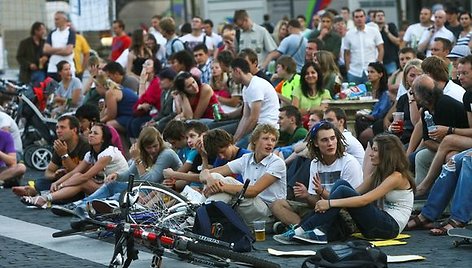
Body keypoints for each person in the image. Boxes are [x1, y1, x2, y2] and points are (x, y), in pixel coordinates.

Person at [274, 133, 414, 244]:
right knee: (341, 185)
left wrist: (328, 203)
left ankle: (304, 229)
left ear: (386, 153)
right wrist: (323, 193)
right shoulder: (378, 173)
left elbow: (364, 200)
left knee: (342, 189)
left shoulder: (397, 177)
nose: (370, 154)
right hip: (378, 224)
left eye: (375, 150)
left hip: (389, 227)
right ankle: (310, 231)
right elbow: (354, 194)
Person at [51, 126, 182, 215]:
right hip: (146, 188)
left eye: (155, 146)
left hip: (161, 190)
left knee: (124, 194)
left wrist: (137, 159)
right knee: (111, 184)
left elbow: (150, 180)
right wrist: (116, 175)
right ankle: (80, 205)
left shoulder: (166, 154)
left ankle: (94, 207)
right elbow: (129, 174)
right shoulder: (143, 154)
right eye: (149, 148)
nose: (152, 150)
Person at [271, 121, 363, 237]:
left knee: (329, 212)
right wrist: (307, 196)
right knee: (277, 205)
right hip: (321, 209)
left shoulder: (349, 162)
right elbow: (315, 203)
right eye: (324, 140)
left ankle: (298, 229)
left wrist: (322, 193)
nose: (330, 143)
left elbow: (350, 204)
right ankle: (301, 228)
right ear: (316, 143)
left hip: (342, 212)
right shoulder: (315, 163)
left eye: (332, 138)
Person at [20, 123, 128, 208]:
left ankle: (45, 198)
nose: (90, 135)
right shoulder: (90, 154)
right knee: (75, 177)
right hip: (105, 185)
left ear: (103, 139)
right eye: (90, 132)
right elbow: (74, 172)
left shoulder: (108, 153)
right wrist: (57, 182)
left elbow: (86, 176)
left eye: (95, 133)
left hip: (119, 189)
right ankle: (45, 197)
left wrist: (62, 185)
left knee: (82, 181)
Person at [200, 124, 286, 225]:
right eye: (265, 138)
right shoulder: (246, 159)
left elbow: (254, 191)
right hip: (250, 207)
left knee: (226, 182)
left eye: (273, 140)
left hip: (268, 213)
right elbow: (204, 174)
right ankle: (200, 215)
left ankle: (198, 217)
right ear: (255, 140)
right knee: (215, 177)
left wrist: (221, 187)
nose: (270, 143)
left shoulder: (277, 162)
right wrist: (210, 180)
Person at [12, 115, 89, 196]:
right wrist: (55, 175)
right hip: (63, 180)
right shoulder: (60, 144)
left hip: (79, 182)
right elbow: (48, 172)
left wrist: (64, 155)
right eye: (57, 127)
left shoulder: (84, 146)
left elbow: (80, 172)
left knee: (71, 189)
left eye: (62, 127)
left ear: (74, 130)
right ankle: (39, 192)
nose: (58, 131)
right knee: (41, 182)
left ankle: (38, 193)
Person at [230, 58, 279, 148]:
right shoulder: (246, 88)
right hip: (257, 127)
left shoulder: (256, 86)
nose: (231, 76)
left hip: (267, 129)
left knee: (235, 149)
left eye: (231, 72)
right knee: (232, 145)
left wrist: (240, 138)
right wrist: (235, 138)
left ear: (237, 71)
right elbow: (245, 116)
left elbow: (253, 118)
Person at [355, 62, 391, 148]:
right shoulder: (367, 90)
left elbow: (379, 114)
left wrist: (363, 114)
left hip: (377, 122)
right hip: (366, 119)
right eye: (368, 72)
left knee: (362, 134)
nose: (369, 74)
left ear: (380, 74)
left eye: (372, 72)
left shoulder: (385, 93)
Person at [344, 9, 384, 84]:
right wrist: (348, 69)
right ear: (353, 19)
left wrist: (378, 65)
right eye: (357, 17)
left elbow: (381, 49)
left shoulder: (374, 31)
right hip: (354, 72)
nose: (359, 19)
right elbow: (346, 53)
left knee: (373, 94)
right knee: (353, 95)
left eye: (361, 16)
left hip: (371, 71)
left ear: (365, 17)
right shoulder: (349, 34)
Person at [128, 58, 162, 139]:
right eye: (144, 64)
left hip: (157, 113)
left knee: (136, 123)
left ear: (154, 68)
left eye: (148, 64)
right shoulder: (147, 81)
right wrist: (142, 82)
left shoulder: (156, 81)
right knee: (129, 122)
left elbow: (143, 100)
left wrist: (142, 82)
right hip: (149, 111)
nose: (144, 66)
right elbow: (141, 102)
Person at [43, 11, 76, 81]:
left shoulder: (70, 32)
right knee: (52, 91)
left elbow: (68, 51)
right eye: (55, 19)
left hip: (67, 69)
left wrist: (52, 51)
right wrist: (62, 49)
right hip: (53, 68)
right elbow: (46, 49)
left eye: (57, 19)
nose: (55, 21)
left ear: (64, 19)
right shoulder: (52, 33)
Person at [374, 10, 400, 76]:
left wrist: (387, 32)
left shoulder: (390, 26)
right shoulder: (372, 30)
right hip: (376, 61)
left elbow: (397, 42)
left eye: (382, 15)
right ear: (374, 18)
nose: (380, 17)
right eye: (378, 16)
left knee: (392, 79)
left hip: (390, 60)